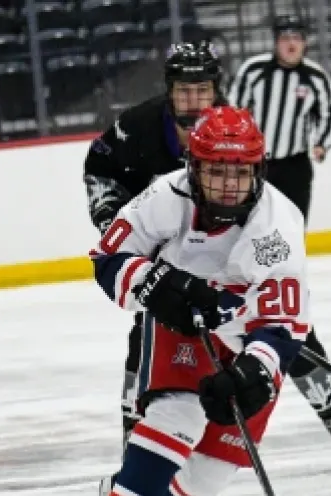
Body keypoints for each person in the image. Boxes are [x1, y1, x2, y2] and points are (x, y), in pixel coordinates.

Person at [76, 106, 309, 496]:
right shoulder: (165, 196)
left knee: (206, 478)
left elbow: (282, 323)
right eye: (216, 170)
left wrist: (253, 373)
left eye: (239, 172)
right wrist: (157, 283)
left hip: (244, 332)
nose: (228, 183)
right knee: (175, 417)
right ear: (194, 167)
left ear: (257, 170)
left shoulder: (279, 225)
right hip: (179, 320)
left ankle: (124, 491)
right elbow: (108, 257)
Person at [229, 14, 331, 466]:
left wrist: (322, 144)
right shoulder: (253, 72)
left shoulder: (315, 78)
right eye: (284, 38)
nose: (291, 45)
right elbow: (232, 110)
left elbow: (328, 113)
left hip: (293, 167)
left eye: (297, 38)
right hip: (255, 166)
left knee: (287, 295)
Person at [83, 41, 225, 446]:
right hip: (162, 250)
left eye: (202, 90)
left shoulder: (233, 128)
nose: (193, 100)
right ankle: (134, 423)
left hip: (220, 247)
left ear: (215, 90)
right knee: (148, 329)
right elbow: (99, 167)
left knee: (271, 321)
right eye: (184, 89)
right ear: (169, 90)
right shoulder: (138, 126)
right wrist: (113, 222)